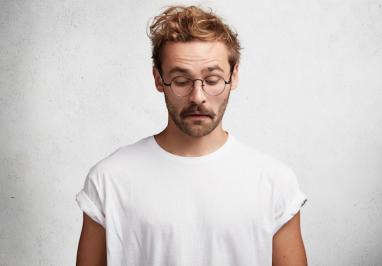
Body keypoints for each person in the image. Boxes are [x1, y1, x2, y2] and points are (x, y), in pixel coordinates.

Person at [76, 5, 308, 266]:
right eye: (181, 80)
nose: (198, 97)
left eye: (212, 80)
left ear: (234, 76)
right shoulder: (109, 180)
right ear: (157, 79)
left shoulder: (275, 183)